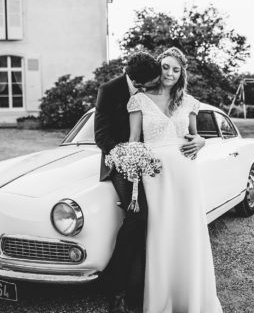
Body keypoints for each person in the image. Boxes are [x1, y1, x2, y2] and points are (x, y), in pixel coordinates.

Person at [127, 47, 222, 313]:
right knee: (161, 233)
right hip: (155, 175)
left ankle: (192, 300)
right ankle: (162, 302)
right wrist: (132, 169)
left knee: (188, 232)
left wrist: (202, 141)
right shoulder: (140, 100)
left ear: (182, 73)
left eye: (175, 69)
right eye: (166, 67)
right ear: (158, 68)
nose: (170, 73)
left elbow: (195, 136)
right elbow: (134, 140)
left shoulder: (189, 102)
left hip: (185, 172)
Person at [94, 52, 161, 313]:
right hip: (119, 163)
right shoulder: (109, 91)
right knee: (138, 217)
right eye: (150, 82)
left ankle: (146, 283)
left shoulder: (156, 91)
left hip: (154, 162)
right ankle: (116, 288)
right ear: (137, 80)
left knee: (157, 218)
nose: (156, 84)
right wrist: (128, 158)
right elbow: (102, 136)